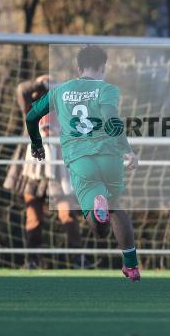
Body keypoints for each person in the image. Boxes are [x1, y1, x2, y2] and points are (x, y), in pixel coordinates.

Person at [24, 46, 142, 281]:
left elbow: (31, 116)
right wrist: (127, 150)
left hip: (80, 160)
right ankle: (131, 267)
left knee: (99, 228)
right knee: (116, 207)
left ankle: (99, 209)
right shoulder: (106, 89)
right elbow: (111, 120)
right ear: (103, 68)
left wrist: (37, 144)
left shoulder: (61, 91)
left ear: (79, 68)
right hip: (109, 158)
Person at [4, 76, 85, 269]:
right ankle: (32, 259)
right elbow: (21, 89)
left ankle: (78, 258)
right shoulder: (31, 108)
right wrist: (39, 83)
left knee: (67, 214)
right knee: (33, 216)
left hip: (59, 170)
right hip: (32, 170)